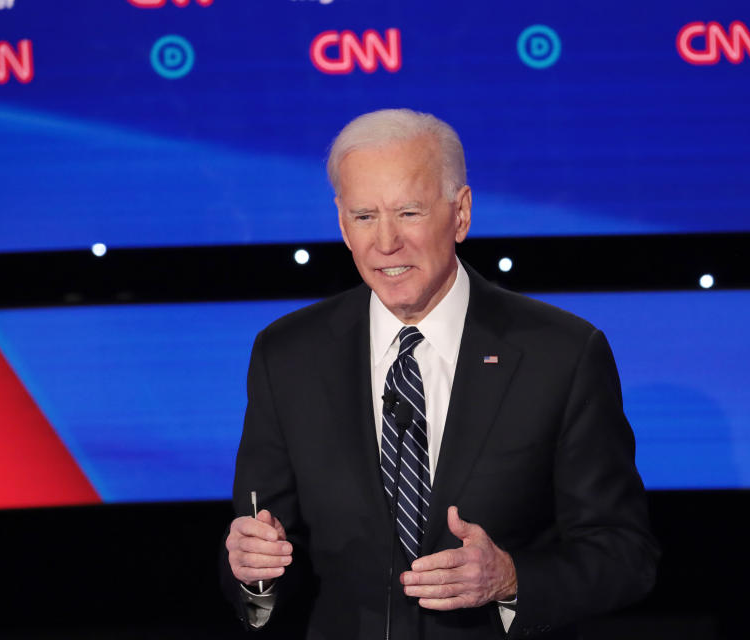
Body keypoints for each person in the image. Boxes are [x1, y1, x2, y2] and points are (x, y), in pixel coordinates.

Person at [222, 108, 659, 639]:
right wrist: (253, 572)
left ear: (460, 213)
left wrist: (511, 579)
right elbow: (260, 546)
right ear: (341, 223)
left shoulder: (560, 354)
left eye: (408, 212)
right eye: (364, 216)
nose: (386, 243)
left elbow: (623, 553)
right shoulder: (287, 355)